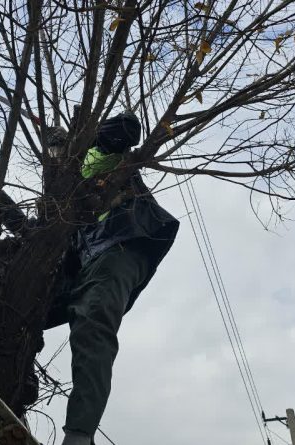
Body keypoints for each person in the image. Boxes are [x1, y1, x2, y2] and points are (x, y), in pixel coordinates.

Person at [44, 111, 179, 445]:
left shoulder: (101, 153)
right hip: (83, 263)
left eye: (60, 149)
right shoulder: (59, 194)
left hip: (117, 246)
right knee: (24, 311)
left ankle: (79, 435)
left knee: (92, 324)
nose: (57, 155)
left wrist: (91, 137)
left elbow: (126, 127)